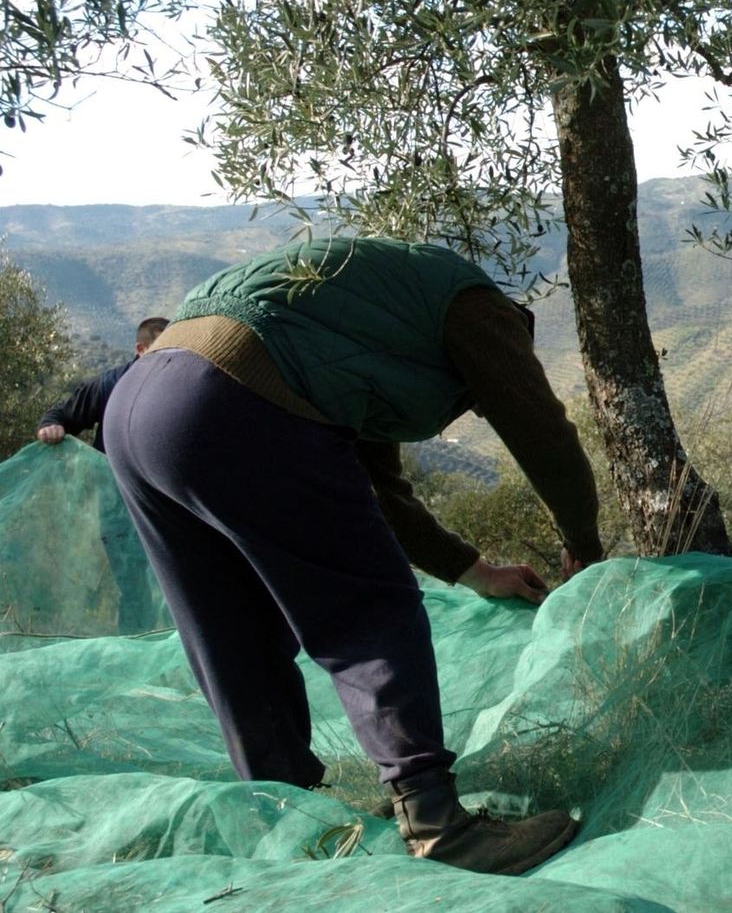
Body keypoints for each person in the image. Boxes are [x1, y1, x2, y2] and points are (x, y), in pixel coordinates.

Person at [102, 236, 604, 877]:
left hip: (137, 411)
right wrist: (583, 547)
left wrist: (475, 573)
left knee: (231, 633)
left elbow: (380, 493)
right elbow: (542, 434)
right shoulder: (481, 310)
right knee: (371, 608)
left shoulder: (357, 326)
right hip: (232, 399)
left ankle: (285, 815)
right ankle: (436, 823)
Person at [36, 316, 170, 450]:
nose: (170, 356)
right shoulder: (109, 385)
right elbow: (62, 415)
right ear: (141, 349)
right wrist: (50, 426)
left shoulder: (183, 387)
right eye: (163, 349)